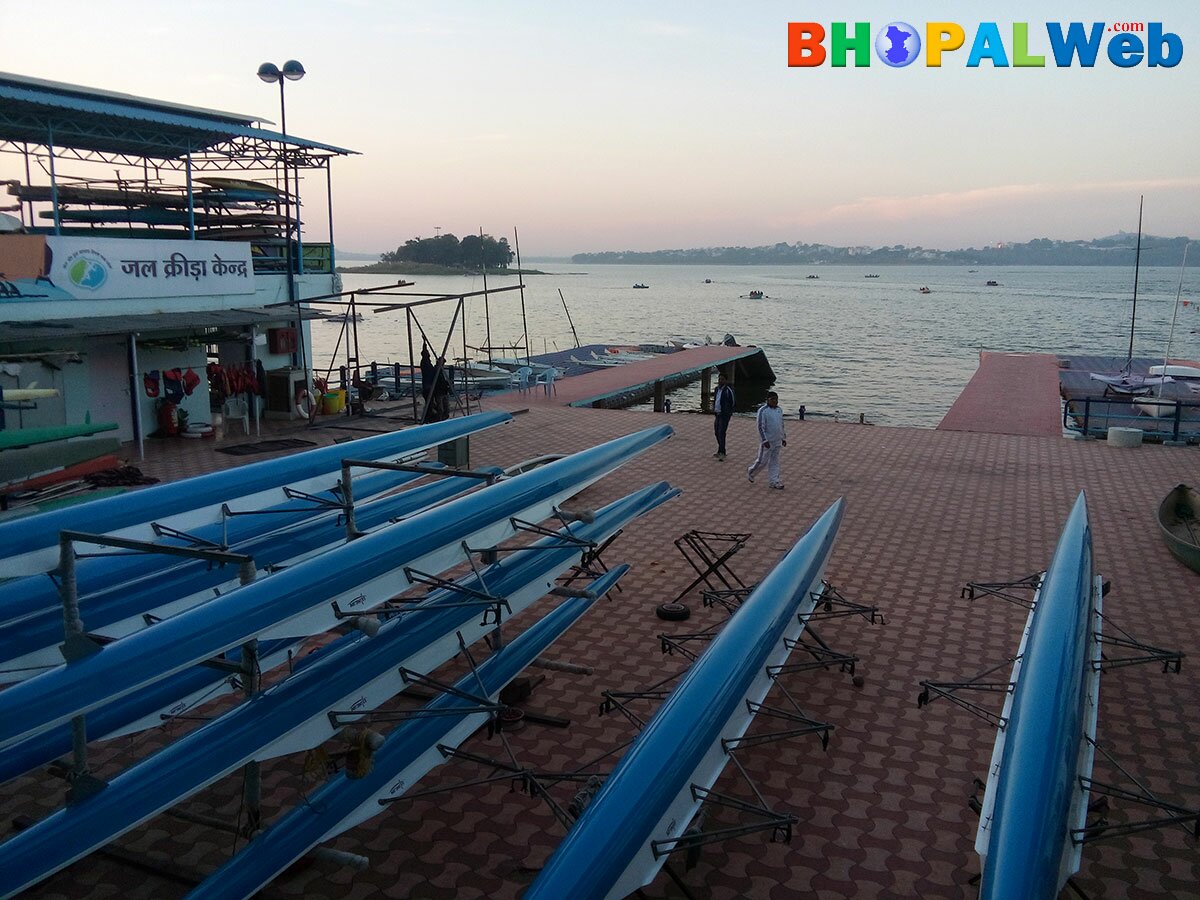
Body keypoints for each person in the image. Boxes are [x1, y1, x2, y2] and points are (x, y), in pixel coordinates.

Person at [747, 391, 786, 489]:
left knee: (774, 461)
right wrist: (764, 440)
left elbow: (781, 425)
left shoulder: (779, 410)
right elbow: (760, 427)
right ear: (768, 400)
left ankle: (774, 481)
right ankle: (751, 471)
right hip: (767, 442)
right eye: (772, 399)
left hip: (777, 441)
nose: (775, 401)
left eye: (776, 399)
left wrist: (783, 438)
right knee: (762, 461)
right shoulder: (763, 411)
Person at [712, 372, 734, 460]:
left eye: (722, 379)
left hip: (724, 415)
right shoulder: (717, 389)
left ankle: (722, 452)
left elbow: (732, 403)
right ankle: (720, 449)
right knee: (716, 432)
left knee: (721, 432)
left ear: (726, 380)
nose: (720, 381)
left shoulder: (728, 391)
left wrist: (727, 412)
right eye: (719, 379)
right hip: (717, 414)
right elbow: (716, 400)